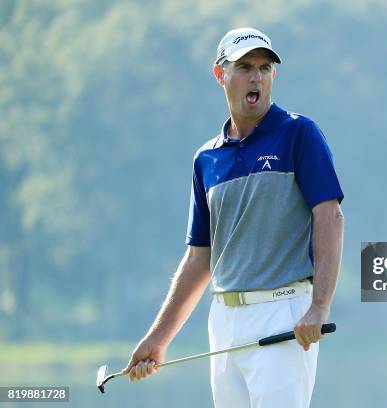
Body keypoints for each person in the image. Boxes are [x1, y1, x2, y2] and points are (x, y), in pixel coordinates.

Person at [122, 27, 344, 407]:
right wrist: (157, 338)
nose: (256, 76)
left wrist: (319, 307)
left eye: (263, 67)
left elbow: (330, 217)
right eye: (244, 67)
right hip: (224, 321)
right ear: (220, 74)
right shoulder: (206, 159)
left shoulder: (298, 134)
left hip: (283, 313)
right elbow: (199, 258)